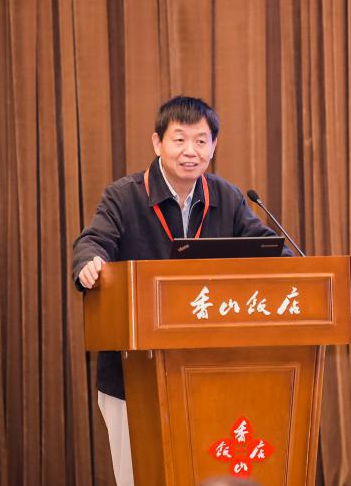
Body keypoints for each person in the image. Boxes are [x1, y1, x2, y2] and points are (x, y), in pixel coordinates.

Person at [72, 96, 288, 485]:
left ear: (213, 146)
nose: (191, 151)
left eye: (201, 141)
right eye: (180, 139)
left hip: (209, 373)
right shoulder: (124, 196)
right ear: (158, 143)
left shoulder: (227, 197)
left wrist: (294, 269)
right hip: (134, 372)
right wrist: (89, 263)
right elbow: (94, 242)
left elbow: (264, 245)